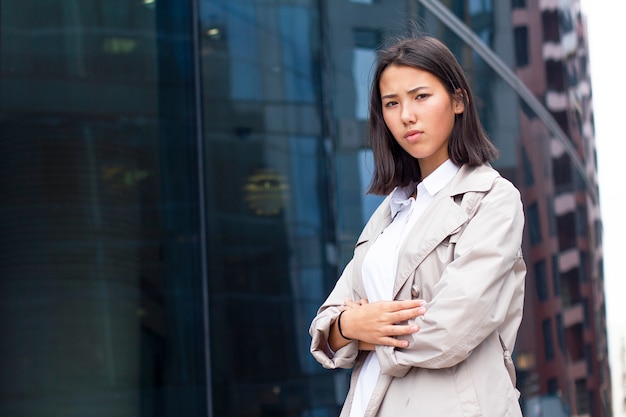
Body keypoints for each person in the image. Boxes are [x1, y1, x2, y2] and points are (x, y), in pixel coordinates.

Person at [309, 36, 526, 417]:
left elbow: (449, 330)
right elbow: (326, 324)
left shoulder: (493, 198)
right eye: (391, 103)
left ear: (458, 100)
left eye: (420, 96)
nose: (406, 115)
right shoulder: (391, 213)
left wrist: (364, 331)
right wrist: (350, 324)